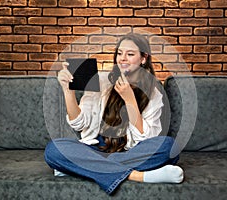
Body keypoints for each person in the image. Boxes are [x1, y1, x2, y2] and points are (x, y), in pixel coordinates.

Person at [44, 33, 184, 195]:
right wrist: (67, 91)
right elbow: (79, 123)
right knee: (53, 150)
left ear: (143, 59)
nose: (122, 58)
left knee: (169, 146)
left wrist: (130, 100)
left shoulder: (153, 92)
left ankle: (82, 167)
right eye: (119, 53)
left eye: (130, 54)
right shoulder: (101, 80)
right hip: (97, 148)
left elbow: (146, 140)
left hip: (132, 151)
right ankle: (136, 175)